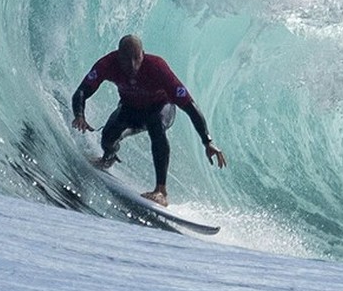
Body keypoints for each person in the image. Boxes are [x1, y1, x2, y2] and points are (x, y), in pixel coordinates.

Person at [71, 34, 226, 206]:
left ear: (142, 54)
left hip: (161, 108)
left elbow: (190, 106)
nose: (132, 65)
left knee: (156, 125)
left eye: (136, 59)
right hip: (130, 109)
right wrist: (79, 115)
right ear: (118, 55)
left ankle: (161, 191)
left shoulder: (157, 67)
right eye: (126, 59)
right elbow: (82, 91)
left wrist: (207, 141)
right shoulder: (108, 64)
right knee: (108, 136)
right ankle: (108, 158)